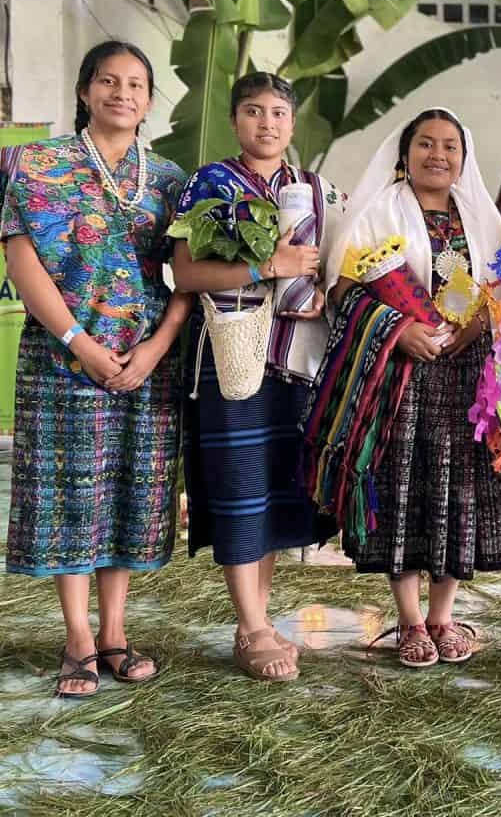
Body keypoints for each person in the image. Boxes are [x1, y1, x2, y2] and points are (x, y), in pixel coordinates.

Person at [1, 40, 191, 697]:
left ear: (149, 100)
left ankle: (114, 632)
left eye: (136, 84)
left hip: (145, 361)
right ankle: (78, 638)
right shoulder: (37, 164)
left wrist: (158, 347)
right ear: (85, 91)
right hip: (62, 358)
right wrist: (78, 341)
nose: (122, 94)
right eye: (109, 81)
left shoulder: (168, 179)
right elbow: (21, 257)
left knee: (129, 493)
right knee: (72, 494)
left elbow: (187, 274)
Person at [320, 106, 501, 668]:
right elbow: (344, 291)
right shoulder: (379, 210)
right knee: (405, 485)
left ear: (464, 158)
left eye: (450, 145)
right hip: (401, 374)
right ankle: (410, 621)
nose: (438, 154)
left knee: (459, 489)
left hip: (467, 376)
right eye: (426, 143)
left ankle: (443, 617)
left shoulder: (481, 217)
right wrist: (400, 331)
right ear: (405, 154)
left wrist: (478, 325)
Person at [171, 72, 342, 683]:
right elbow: (186, 274)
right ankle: (250, 626)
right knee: (240, 485)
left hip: (297, 360)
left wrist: (325, 292)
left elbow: (342, 264)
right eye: (252, 110)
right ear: (234, 120)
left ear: (292, 124)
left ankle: (259, 621)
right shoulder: (210, 184)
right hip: (233, 355)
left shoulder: (317, 189)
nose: (266, 123)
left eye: (277, 112)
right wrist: (268, 265)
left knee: (274, 487)